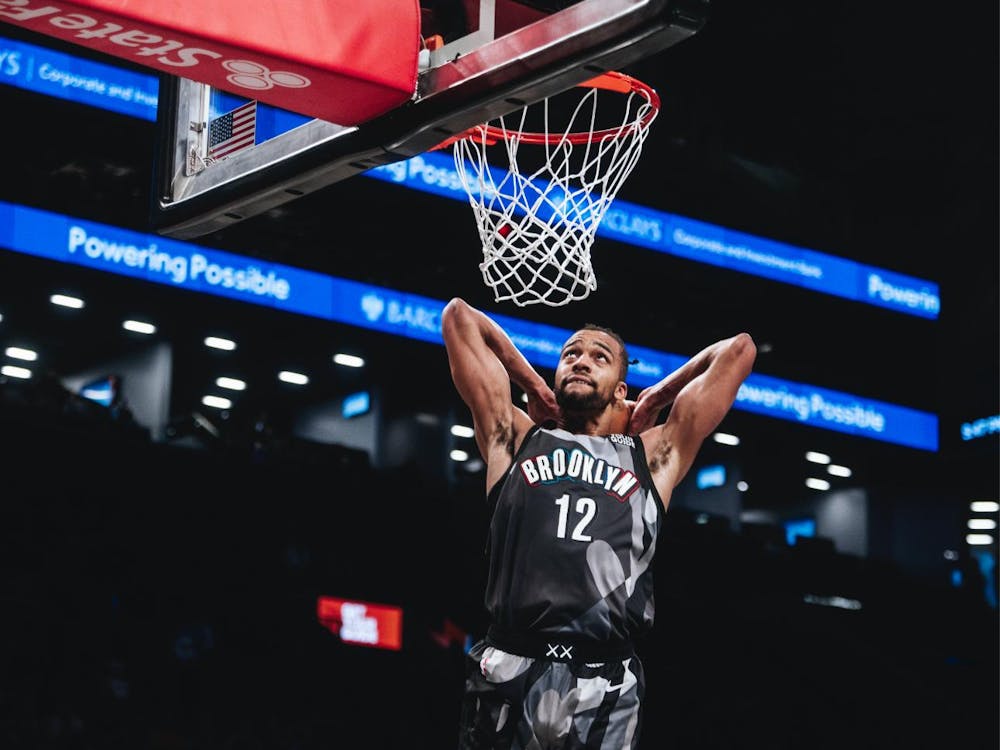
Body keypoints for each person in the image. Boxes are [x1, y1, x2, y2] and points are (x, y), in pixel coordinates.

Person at [441, 297, 757, 749]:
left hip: (605, 678)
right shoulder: (516, 437)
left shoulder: (650, 455)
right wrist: (534, 385)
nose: (581, 361)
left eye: (599, 357)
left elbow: (739, 350)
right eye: (570, 354)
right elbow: (458, 317)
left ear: (620, 389)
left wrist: (658, 396)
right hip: (511, 662)